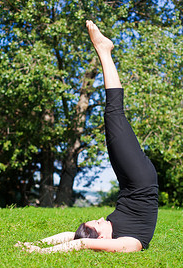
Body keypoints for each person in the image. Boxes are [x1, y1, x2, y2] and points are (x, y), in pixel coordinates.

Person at [15, 20, 158, 253]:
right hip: (140, 180)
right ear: (101, 238)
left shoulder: (109, 231)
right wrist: (42, 254)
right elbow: (81, 243)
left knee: (112, 118)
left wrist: (36, 244)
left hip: (129, 183)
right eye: (98, 224)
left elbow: (70, 236)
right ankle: (103, 49)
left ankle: (104, 50)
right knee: (114, 114)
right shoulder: (131, 242)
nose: (102, 218)